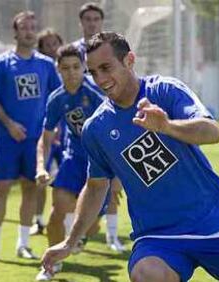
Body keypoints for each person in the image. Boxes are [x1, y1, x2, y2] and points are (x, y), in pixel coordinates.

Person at [41, 32, 219, 282]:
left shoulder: (165, 91)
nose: (100, 79)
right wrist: (70, 242)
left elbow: (211, 132)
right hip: (157, 235)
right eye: (93, 72)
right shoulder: (96, 128)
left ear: (129, 60)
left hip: (211, 220)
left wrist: (166, 126)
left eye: (106, 68)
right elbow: (95, 186)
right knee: (145, 276)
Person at [0, 11, 61, 262]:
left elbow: (57, 97)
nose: (29, 31)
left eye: (32, 27)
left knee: (30, 189)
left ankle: (23, 244)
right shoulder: (1, 63)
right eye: (24, 27)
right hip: (7, 138)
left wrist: (54, 125)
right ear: (15, 32)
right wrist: (9, 123)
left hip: (36, 141)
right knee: (1, 189)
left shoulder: (46, 65)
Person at [35, 44, 109, 281]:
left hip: (99, 161)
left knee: (94, 225)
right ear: (58, 69)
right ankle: (50, 267)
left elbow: (111, 135)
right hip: (73, 159)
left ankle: (79, 234)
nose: (71, 72)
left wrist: (116, 176)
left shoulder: (97, 95)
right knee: (57, 211)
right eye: (65, 68)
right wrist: (40, 167)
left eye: (76, 67)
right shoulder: (56, 99)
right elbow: (45, 139)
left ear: (84, 67)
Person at [73, 2, 126, 252]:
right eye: (88, 19)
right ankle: (77, 235)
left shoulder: (109, 49)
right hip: (79, 132)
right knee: (83, 186)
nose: (92, 23)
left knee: (113, 182)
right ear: (81, 22)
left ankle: (112, 237)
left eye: (96, 19)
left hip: (108, 126)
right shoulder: (73, 53)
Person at [30, 28, 65, 236]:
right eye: (48, 45)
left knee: (70, 178)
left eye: (55, 43)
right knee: (40, 177)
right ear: (41, 48)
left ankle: (70, 219)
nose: (52, 48)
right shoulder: (42, 69)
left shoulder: (69, 69)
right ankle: (39, 220)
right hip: (46, 131)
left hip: (66, 133)